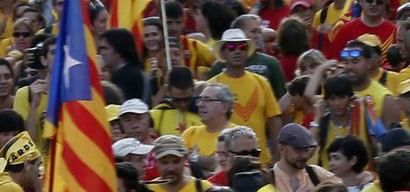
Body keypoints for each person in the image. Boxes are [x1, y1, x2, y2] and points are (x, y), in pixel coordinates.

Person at [206, 29, 282, 163]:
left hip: (261, 161)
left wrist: (276, 157)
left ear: (247, 52)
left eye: (242, 47)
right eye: (231, 47)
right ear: (223, 53)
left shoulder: (261, 82)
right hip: (228, 163)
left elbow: (274, 121)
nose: (237, 51)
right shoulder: (213, 85)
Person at [268, 123, 341, 191]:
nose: (305, 155)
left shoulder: (316, 173)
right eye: (298, 150)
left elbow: (343, 187)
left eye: (307, 150)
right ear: (282, 149)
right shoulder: (267, 179)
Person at [146, 135, 212, 191]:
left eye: (176, 162)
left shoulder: (204, 188)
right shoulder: (147, 190)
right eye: (164, 163)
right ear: (155, 162)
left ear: (185, 159)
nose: (171, 168)